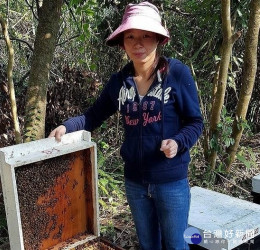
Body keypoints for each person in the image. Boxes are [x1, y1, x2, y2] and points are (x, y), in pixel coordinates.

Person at [49, 2, 203, 249]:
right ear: (122, 42)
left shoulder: (177, 74)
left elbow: (195, 122)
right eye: (130, 36)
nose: (137, 43)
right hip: (135, 183)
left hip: (171, 182)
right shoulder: (119, 83)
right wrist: (67, 127)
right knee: (148, 245)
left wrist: (178, 142)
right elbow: (93, 116)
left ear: (158, 39)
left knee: (175, 245)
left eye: (145, 36)